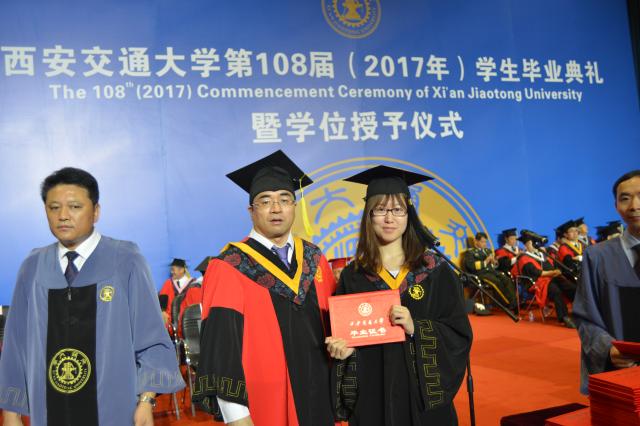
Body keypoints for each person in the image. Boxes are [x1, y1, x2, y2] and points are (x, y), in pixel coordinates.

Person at [0, 167, 184, 426]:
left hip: (113, 409)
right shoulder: (33, 266)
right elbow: (16, 343)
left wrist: (146, 400)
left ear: (96, 211)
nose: (63, 216)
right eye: (54, 208)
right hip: (49, 411)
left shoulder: (126, 260)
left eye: (75, 206)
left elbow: (150, 335)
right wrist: (11, 411)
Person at [192, 150, 337, 426]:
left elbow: (336, 326)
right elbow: (223, 349)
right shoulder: (230, 266)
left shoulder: (315, 259)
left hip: (322, 396)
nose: (276, 208)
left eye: (284, 199)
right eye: (266, 201)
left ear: (294, 206)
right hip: (265, 405)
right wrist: (237, 417)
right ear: (251, 211)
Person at [326, 165, 472, 425]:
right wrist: (343, 351)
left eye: (397, 210)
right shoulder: (353, 275)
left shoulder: (434, 271)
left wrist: (416, 327)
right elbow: (345, 339)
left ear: (409, 214)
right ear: (369, 216)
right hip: (373, 395)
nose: (389, 218)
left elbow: (458, 334)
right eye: (380, 210)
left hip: (422, 401)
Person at [573, 170, 640, 394]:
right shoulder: (597, 257)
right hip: (619, 375)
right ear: (616, 206)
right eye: (625, 198)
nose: (634, 206)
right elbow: (585, 316)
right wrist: (608, 349)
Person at [511, 230, 577, 328]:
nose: (532, 245)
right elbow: (537, 273)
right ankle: (564, 317)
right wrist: (553, 272)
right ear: (526, 244)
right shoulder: (524, 258)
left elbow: (551, 267)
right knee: (556, 290)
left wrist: (555, 272)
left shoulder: (542, 255)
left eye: (532, 242)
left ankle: (579, 311)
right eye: (529, 243)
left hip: (550, 279)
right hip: (537, 284)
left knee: (570, 286)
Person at [463, 232, 517, 310]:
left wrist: (495, 262)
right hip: (481, 274)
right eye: (482, 242)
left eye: (485, 242)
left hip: (492, 272)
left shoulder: (487, 251)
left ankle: (514, 302)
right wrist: (486, 261)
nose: (484, 244)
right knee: (496, 282)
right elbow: (471, 266)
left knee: (506, 279)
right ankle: (507, 303)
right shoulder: (470, 253)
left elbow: (494, 266)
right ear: (476, 241)